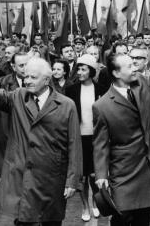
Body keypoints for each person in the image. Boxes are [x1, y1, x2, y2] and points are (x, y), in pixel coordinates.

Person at [0, 57, 82, 226]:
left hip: (52, 177)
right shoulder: (19, 96)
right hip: (23, 175)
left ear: (47, 79)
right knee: (23, 220)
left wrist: (72, 180)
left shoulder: (66, 105)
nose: (27, 81)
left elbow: (74, 144)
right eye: (26, 77)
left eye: (33, 77)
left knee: (51, 221)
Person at [92, 43, 150, 226]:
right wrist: (101, 175)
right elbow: (101, 144)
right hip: (123, 171)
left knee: (143, 218)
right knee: (121, 217)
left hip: (147, 166)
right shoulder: (102, 106)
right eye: (129, 66)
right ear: (115, 73)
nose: (135, 68)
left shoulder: (143, 83)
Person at [65, 54, 102, 222]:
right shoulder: (71, 89)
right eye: (78, 69)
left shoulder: (100, 88)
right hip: (78, 138)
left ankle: (95, 203)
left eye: (83, 69)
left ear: (91, 71)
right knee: (82, 176)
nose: (80, 72)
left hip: (95, 138)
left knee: (95, 174)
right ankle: (85, 206)